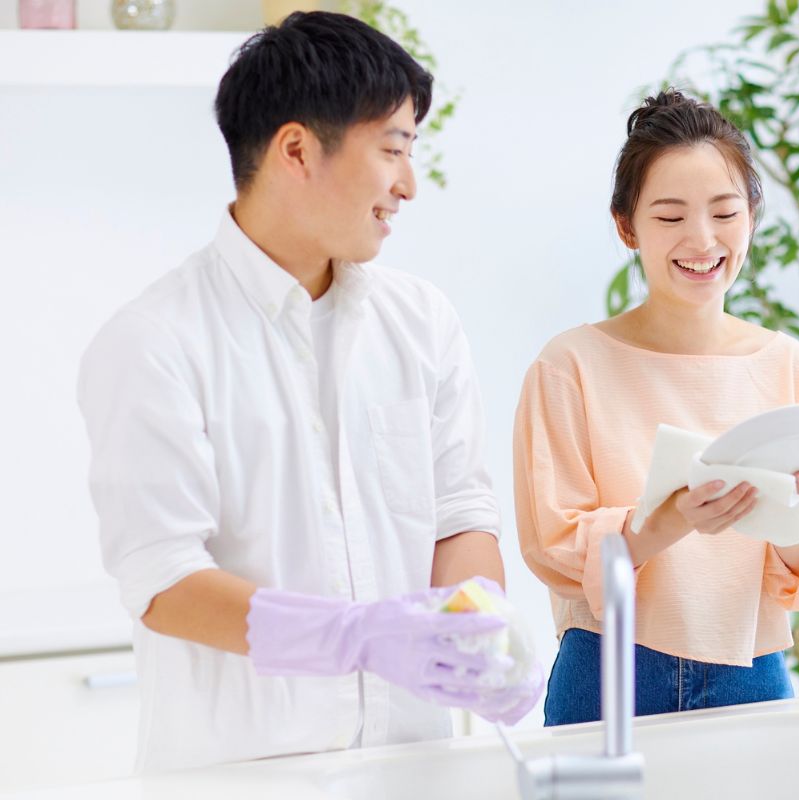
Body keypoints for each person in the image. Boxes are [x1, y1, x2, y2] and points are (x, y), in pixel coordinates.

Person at [76, 11, 540, 773]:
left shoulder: (421, 322)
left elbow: (459, 514)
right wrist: (354, 637)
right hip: (243, 777)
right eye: (392, 149)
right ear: (296, 150)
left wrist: (480, 634)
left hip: (416, 767)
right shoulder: (156, 341)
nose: (408, 185)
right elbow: (163, 580)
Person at [513, 90, 799, 725]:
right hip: (609, 669)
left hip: (752, 669)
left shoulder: (789, 367)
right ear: (627, 226)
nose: (702, 239)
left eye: (724, 212)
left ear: (752, 217)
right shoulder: (570, 366)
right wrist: (671, 520)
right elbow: (555, 546)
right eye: (670, 216)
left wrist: (798, 520)